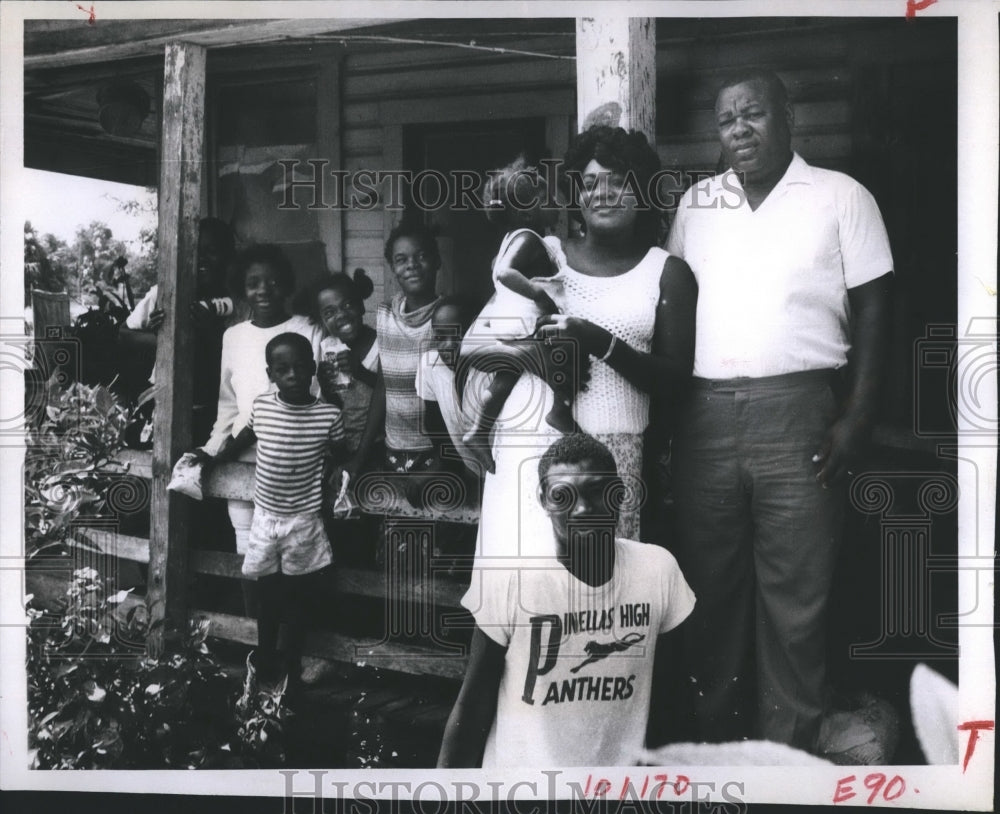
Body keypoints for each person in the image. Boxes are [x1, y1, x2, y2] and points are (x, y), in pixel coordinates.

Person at [666, 67, 893, 751]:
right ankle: (717, 745)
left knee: (796, 596)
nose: (740, 129)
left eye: (754, 114)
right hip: (705, 419)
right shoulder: (698, 204)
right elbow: (673, 308)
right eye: (727, 118)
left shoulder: (840, 197)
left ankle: (788, 746)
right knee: (711, 591)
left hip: (800, 414)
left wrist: (856, 418)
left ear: (789, 116)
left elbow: (878, 311)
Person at [464, 125, 697, 559]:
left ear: (642, 191)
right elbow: (474, 346)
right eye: (590, 183)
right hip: (532, 441)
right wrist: (534, 357)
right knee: (524, 576)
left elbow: (675, 381)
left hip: (616, 449)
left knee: (604, 586)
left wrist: (601, 343)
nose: (602, 193)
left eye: (617, 182)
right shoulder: (548, 254)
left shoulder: (667, 272)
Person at [437, 434, 695, 768]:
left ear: (618, 494)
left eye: (594, 492)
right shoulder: (512, 580)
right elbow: (471, 709)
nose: (583, 509)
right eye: (563, 496)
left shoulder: (657, 570)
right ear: (543, 500)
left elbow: (672, 697)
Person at [197, 332, 345, 694]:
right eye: (283, 369)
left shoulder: (328, 415)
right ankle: (264, 657)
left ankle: (291, 664)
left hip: (304, 521)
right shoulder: (263, 406)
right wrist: (212, 458)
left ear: (312, 369)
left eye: (299, 367)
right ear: (271, 373)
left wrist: (336, 475)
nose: (292, 374)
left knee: (298, 594)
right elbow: (243, 439)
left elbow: (340, 450)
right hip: (265, 518)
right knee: (267, 591)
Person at [200, 244, 324, 577]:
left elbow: (318, 397)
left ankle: (285, 626)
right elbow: (228, 403)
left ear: (286, 284)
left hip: (292, 464)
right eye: (254, 282)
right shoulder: (234, 336)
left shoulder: (308, 328)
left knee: (295, 557)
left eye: (272, 281)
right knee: (249, 555)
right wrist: (214, 449)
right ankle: (257, 626)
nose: (264, 290)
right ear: (242, 288)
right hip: (242, 459)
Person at [461, 158, 577, 462]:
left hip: (507, 320)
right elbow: (503, 272)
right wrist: (538, 292)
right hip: (525, 319)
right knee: (563, 354)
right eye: (549, 199)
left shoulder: (515, 239)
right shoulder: (528, 238)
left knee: (505, 377)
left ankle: (478, 428)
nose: (558, 204)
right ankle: (561, 410)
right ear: (530, 208)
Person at [122, 217, 237, 445]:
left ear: (227, 257)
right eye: (194, 251)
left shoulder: (236, 302)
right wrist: (163, 338)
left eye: (212, 251)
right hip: (168, 404)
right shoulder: (164, 294)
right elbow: (124, 334)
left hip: (221, 409)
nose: (201, 258)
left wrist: (210, 331)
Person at [371, 222, 443, 504]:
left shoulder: (449, 317)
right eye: (401, 260)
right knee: (396, 540)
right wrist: (361, 456)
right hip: (394, 451)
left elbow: (463, 397)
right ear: (392, 267)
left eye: (421, 256)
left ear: (437, 261)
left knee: (439, 539)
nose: (411, 265)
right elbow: (382, 387)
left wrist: (442, 463)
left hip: (435, 456)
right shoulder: (386, 315)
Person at [311, 268, 381, 476]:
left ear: (361, 306)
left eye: (347, 305)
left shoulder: (380, 344)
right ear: (322, 320)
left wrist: (359, 371)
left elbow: (388, 393)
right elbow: (336, 407)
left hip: (377, 445)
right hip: (342, 446)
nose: (340, 315)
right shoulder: (329, 347)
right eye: (329, 313)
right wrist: (327, 387)